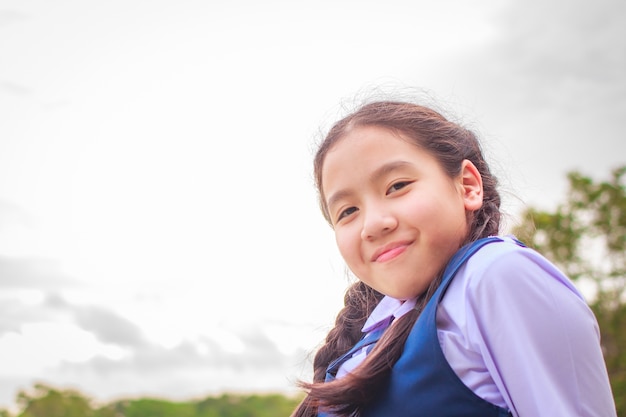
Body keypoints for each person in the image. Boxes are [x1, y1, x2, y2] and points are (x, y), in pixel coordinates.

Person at [291, 99, 616, 417]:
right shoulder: (372, 334)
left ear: (468, 185)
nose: (373, 224)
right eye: (348, 211)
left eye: (397, 186)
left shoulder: (495, 273)